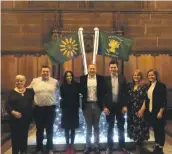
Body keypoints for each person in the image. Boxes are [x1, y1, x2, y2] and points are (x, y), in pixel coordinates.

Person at [28, 65, 60, 154]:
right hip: (38, 109)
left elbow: (58, 93)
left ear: (49, 72)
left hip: (50, 109)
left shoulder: (55, 81)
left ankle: (50, 148)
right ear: (41, 72)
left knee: (50, 129)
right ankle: (39, 148)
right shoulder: (35, 81)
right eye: (43, 71)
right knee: (39, 130)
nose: (45, 73)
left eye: (47, 71)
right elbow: (28, 91)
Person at [103, 60, 128, 154]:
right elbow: (103, 95)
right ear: (109, 68)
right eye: (111, 67)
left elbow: (126, 93)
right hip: (109, 107)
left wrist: (125, 105)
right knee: (110, 127)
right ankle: (109, 147)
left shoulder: (122, 78)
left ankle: (123, 147)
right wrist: (104, 107)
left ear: (117, 68)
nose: (113, 69)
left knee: (121, 127)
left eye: (115, 67)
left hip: (120, 107)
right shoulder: (105, 79)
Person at [6, 75, 34, 154]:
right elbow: (7, 104)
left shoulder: (29, 91)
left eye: (21, 81)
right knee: (15, 137)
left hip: (26, 119)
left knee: (24, 136)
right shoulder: (11, 92)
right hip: (15, 119)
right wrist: (13, 112)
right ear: (15, 82)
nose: (19, 82)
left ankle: (23, 151)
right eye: (18, 81)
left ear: (24, 81)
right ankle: (15, 152)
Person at [80, 64, 104, 154]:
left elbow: (103, 91)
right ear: (88, 70)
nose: (92, 70)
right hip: (87, 105)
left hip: (97, 105)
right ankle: (88, 146)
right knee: (88, 127)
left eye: (94, 68)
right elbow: (80, 91)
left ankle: (97, 145)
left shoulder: (100, 78)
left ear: (96, 69)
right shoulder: (83, 78)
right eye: (90, 68)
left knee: (96, 126)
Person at [127, 69, 149, 154]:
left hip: (140, 110)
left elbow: (146, 99)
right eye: (134, 75)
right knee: (134, 129)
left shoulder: (144, 86)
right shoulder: (130, 85)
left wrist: (142, 109)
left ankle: (139, 150)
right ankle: (138, 149)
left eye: (138, 75)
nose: (136, 77)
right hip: (131, 111)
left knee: (140, 129)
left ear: (141, 76)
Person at [145, 69, 167, 154]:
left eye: (152, 75)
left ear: (156, 76)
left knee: (160, 130)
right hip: (152, 112)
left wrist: (161, 111)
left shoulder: (161, 86)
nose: (150, 76)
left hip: (159, 112)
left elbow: (164, 100)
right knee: (156, 129)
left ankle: (160, 148)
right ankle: (157, 146)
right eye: (149, 75)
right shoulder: (149, 86)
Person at [60, 71, 80, 154]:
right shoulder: (62, 86)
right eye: (67, 76)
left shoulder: (76, 85)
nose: (69, 77)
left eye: (70, 76)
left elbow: (77, 96)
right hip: (66, 109)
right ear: (65, 77)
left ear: (72, 76)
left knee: (73, 128)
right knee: (66, 128)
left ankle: (72, 145)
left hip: (74, 109)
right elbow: (62, 97)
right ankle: (67, 145)